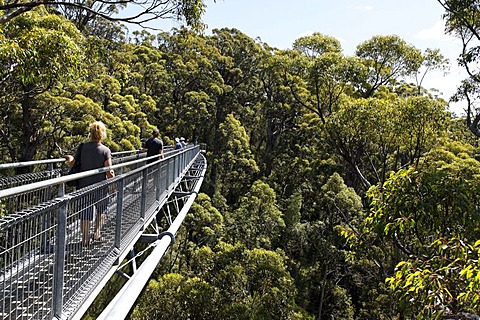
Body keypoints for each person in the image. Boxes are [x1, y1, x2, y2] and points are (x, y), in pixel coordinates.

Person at [66, 121, 115, 247]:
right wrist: (113, 185)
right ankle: (97, 233)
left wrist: (70, 158)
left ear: (91, 133)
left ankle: (84, 239)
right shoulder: (105, 151)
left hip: (84, 186)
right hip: (100, 186)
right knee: (102, 210)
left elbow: (73, 164)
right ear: (102, 134)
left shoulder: (82, 147)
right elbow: (109, 171)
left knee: (85, 213)